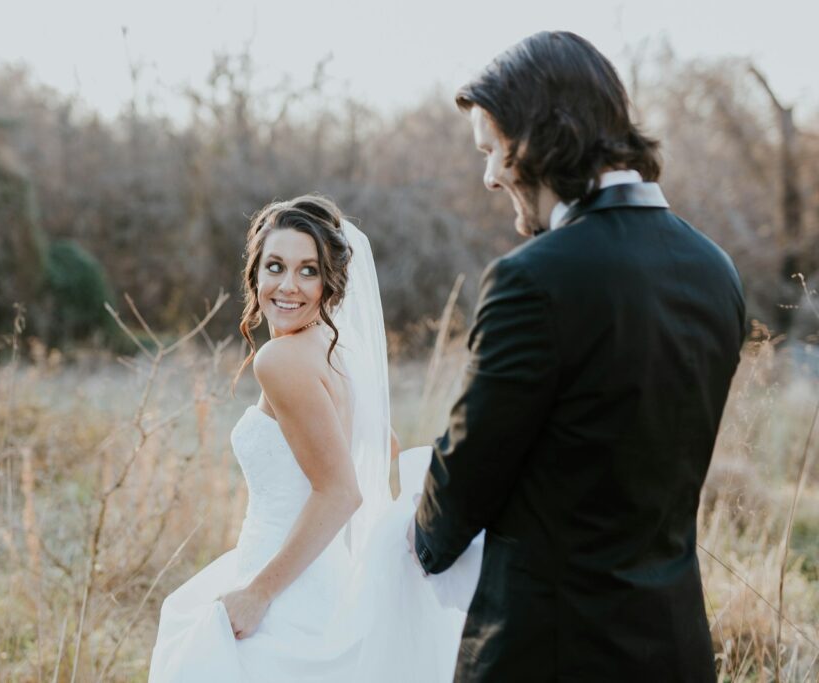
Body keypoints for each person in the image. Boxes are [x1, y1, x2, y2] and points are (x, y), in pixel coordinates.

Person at [411, 31, 746, 682]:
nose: (488, 176)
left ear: (536, 136)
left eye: (492, 150)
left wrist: (415, 543)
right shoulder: (716, 270)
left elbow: (470, 469)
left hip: (551, 652)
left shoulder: (533, 279)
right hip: (676, 648)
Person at [148, 195, 482, 682]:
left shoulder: (280, 361)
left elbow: (342, 491)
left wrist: (259, 593)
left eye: (308, 271)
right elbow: (380, 447)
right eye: (275, 266)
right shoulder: (337, 352)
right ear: (255, 274)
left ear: (331, 282)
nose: (288, 285)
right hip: (323, 576)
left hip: (285, 592)